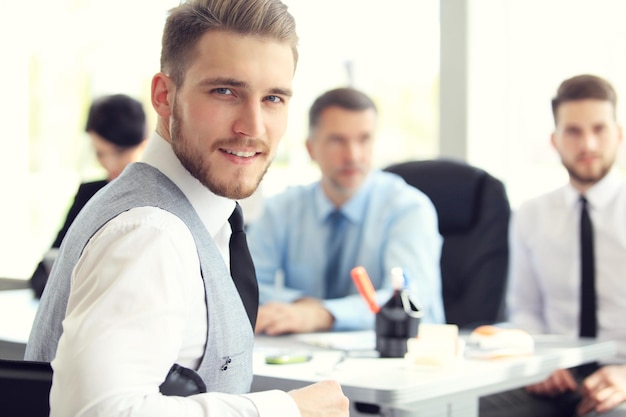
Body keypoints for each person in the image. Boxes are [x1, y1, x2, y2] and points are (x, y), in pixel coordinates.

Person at [25, 1, 349, 416]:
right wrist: (286, 411)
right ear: (164, 96)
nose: (252, 126)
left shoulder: (192, 218)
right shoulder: (151, 231)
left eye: (272, 98)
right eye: (225, 91)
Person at [480, 74, 626, 417]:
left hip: (620, 374)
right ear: (555, 140)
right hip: (554, 373)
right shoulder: (531, 215)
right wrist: (540, 363)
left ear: (618, 134)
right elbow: (525, 308)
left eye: (599, 129)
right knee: (469, 408)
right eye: (573, 131)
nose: (587, 144)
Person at [248, 87, 445, 335]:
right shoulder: (280, 210)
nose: (353, 155)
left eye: (364, 139)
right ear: (311, 149)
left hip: (398, 356)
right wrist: (302, 306)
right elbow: (245, 288)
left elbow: (409, 299)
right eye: (337, 141)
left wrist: (323, 314)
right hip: (306, 357)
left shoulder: (409, 209)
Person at [29, 93, 148, 298]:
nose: (110, 164)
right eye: (100, 153)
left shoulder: (158, 200)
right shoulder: (88, 194)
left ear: (144, 145)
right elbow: (43, 273)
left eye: (118, 153)